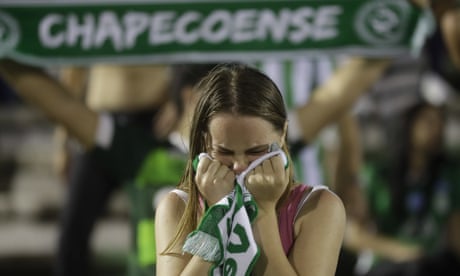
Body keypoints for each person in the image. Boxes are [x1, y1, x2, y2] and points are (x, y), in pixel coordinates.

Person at [0, 59, 219, 276]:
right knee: (72, 235)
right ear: (190, 97)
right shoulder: (142, 151)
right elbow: (64, 109)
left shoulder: (237, 162)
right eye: (219, 100)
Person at [155, 63, 346, 275]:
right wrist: (216, 220)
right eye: (224, 151)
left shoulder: (319, 207)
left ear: (282, 134)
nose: (239, 166)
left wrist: (264, 213)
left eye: (256, 150)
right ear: (204, 141)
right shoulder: (177, 207)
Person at [336, 101, 460, 276]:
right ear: (409, 124)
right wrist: (400, 251)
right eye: (428, 121)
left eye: (441, 122)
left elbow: (456, 238)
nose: (437, 129)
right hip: (388, 266)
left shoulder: (450, 176)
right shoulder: (378, 175)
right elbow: (352, 235)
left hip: (432, 266)